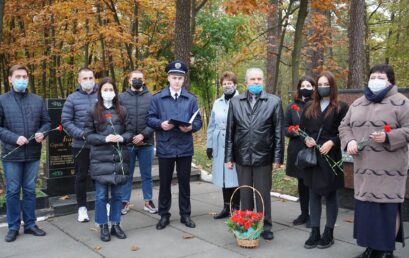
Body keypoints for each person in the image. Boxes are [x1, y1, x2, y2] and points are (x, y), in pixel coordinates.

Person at [339, 64, 409, 258]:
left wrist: (388, 137)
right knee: (367, 210)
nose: (376, 80)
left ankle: (386, 250)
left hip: (390, 169)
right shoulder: (358, 103)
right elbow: (344, 126)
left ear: (390, 81)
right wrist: (350, 140)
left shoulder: (401, 102)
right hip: (364, 168)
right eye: (373, 76)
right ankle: (370, 248)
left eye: (381, 76)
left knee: (387, 208)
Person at [225, 67, 284, 240]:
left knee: (263, 194)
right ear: (246, 82)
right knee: (245, 194)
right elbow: (230, 132)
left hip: (264, 156)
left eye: (259, 79)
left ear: (263, 81)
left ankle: (266, 225)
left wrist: (277, 158)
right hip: (241, 156)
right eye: (253, 79)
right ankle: (247, 225)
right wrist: (229, 157)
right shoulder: (235, 102)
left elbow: (279, 133)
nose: (256, 82)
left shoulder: (273, 102)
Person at [146, 60, 202, 230]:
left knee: (185, 183)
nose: (177, 81)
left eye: (180, 78)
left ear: (184, 80)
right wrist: (160, 124)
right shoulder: (158, 98)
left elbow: (198, 120)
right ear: (168, 78)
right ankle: (164, 215)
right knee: (164, 183)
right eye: (174, 77)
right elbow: (149, 118)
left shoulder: (191, 99)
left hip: (184, 146)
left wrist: (192, 127)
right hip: (166, 145)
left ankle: (185, 214)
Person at [1, 64, 51, 242]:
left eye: (24, 77)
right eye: (18, 76)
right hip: (11, 153)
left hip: (32, 153)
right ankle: (13, 226)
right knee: (13, 191)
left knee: (30, 190)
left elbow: (46, 123)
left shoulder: (37, 100)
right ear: (10, 79)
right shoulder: (2, 100)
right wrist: (14, 138)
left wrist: (42, 133)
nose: (22, 80)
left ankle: (30, 224)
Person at [300, 71, 348, 249]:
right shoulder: (309, 107)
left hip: (331, 157)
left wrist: (333, 142)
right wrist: (306, 140)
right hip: (313, 157)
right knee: (313, 193)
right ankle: (315, 231)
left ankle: (329, 232)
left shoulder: (341, 107)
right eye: (319, 84)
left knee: (330, 194)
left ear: (332, 86)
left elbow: (345, 131)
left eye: (325, 84)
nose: (322, 87)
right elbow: (301, 130)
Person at [84, 77, 133, 242]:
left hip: (119, 160)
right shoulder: (93, 111)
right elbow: (88, 135)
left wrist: (121, 137)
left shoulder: (122, 110)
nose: (108, 93)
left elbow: (130, 132)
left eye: (111, 90)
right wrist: (105, 139)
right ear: (100, 92)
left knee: (118, 196)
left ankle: (116, 224)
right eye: (105, 90)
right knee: (101, 196)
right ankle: (103, 225)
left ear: (115, 92)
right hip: (100, 160)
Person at [61, 67, 97, 223]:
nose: (88, 81)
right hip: (80, 144)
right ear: (79, 80)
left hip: (99, 144)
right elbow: (66, 121)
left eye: (91, 78)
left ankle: (104, 204)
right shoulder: (72, 98)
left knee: (100, 176)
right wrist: (81, 134)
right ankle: (82, 208)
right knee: (81, 176)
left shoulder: (102, 95)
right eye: (85, 78)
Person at [119, 70, 156, 215]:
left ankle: (148, 201)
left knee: (146, 174)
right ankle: (124, 201)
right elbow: (119, 120)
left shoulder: (152, 98)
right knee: (127, 175)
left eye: (140, 78)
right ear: (129, 81)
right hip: (127, 144)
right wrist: (129, 137)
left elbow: (154, 120)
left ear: (144, 80)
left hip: (146, 143)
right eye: (134, 78)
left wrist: (143, 135)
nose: (137, 80)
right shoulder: (121, 98)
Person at [206, 71, 240, 219]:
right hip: (219, 142)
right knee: (223, 178)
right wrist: (209, 144)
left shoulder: (241, 100)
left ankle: (236, 208)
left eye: (230, 83)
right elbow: (211, 125)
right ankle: (226, 207)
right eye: (224, 84)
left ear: (235, 85)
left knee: (235, 177)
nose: (227, 86)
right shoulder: (217, 102)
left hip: (235, 143)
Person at [284, 75, 316, 227]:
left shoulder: (317, 105)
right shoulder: (291, 107)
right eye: (303, 86)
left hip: (313, 149)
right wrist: (293, 131)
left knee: (312, 183)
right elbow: (284, 127)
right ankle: (304, 213)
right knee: (302, 184)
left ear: (314, 88)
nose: (305, 89)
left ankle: (313, 215)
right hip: (297, 150)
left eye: (309, 86)